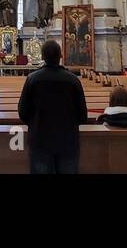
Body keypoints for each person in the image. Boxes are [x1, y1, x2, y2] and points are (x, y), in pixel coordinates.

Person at [17, 40, 88, 174]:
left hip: (40, 140)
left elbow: (23, 111)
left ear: (42, 57)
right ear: (61, 56)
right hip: (67, 141)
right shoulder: (73, 80)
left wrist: (34, 123)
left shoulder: (33, 79)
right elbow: (82, 114)